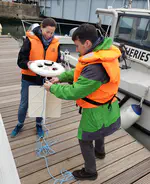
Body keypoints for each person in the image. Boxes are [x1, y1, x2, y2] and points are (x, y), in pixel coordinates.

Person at [44, 23, 121, 181]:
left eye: (77, 46)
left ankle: (90, 171)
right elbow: (79, 71)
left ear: (87, 43)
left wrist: (52, 88)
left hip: (95, 109)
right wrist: (61, 77)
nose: (76, 50)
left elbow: (74, 91)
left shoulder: (96, 67)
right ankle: (100, 152)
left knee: (84, 138)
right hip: (108, 105)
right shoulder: (101, 51)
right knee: (100, 130)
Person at [11, 18, 61, 138]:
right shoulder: (30, 40)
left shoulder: (56, 44)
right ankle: (19, 124)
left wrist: (56, 74)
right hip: (28, 78)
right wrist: (28, 63)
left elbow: (57, 62)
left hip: (44, 80)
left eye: (52, 32)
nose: (49, 35)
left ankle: (38, 124)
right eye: (47, 31)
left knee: (40, 102)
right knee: (24, 104)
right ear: (41, 27)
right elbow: (20, 60)